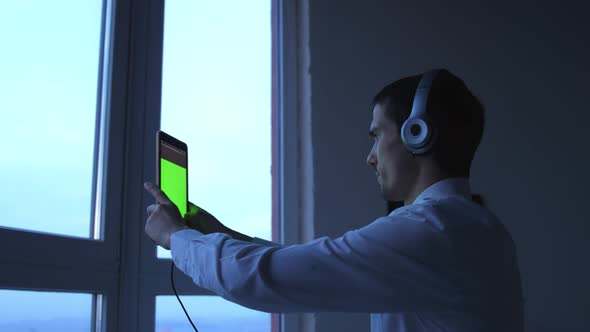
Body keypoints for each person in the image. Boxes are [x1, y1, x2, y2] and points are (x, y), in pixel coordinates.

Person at [144, 69, 524, 332]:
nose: (370, 157)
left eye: (377, 135)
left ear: (417, 134)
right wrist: (216, 231)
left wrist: (176, 238)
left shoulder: (430, 233)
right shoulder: (477, 228)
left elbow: (266, 278)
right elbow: (306, 265)